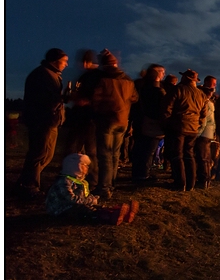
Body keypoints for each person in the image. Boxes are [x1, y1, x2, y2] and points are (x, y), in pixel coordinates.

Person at [84, 49, 138, 199]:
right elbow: (134, 98)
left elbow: (95, 99)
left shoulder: (103, 79)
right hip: (123, 120)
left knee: (105, 155)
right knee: (114, 154)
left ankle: (104, 187)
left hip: (106, 120)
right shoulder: (127, 79)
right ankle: (111, 184)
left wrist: (96, 111)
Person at [15, 48, 69, 199]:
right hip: (42, 120)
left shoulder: (51, 74)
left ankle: (24, 182)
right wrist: (62, 98)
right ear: (54, 61)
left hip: (49, 120)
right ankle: (29, 186)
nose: (66, 64)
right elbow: (44, 100)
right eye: (64, 61)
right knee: (39, 154)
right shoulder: (42, 75)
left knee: (45, 154)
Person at [46, 153, 138, 225]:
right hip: (61, 209)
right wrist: (90, 200)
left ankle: (117, 212)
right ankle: (109, 216)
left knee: (91, 207)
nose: (87, 167)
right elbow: (72, 199)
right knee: (84, 210)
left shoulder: (80, 181)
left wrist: (92, 199)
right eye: (84, 165)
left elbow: (84, 196)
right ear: (76, 167)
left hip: (74, 205)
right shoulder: (64, 182)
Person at [162, 69, 207, 192]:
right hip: (193, 129)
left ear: (185, 78)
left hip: (179, 126)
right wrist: (198, 124)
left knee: (177, 155)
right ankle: (191, 183)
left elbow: (167, 108)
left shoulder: (178, 90)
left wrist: (167, 123)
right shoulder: (201, 94)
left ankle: (180, 183)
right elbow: (204, 114)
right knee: (189, 154)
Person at [64, 49, 100, 171]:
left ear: (86, 62)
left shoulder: (94, 76)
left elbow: (96, 97)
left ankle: (89, 176)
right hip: (82, 117)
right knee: (82, 148)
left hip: (88, 118)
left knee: (88, 150)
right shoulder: (86, 76)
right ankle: (76, 171)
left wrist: (84, 100)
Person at [130, 65, 166, 185]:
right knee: (148, 150)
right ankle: (143, 175)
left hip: (139, 121)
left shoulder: (141, 87)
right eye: (162, 72)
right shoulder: (157, 91)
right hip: (151, 124)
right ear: (157, 75)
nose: (163, 75)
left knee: (140, 149)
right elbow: (159, 109)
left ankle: (137, 173)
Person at [194, 79, 217, 189]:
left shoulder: (206, 103)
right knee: (206, 158)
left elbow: (203, 121)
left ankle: (203, 181)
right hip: (209, 133)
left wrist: (197, 134)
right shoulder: (211, 104)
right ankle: (205, 180)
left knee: (202, 158)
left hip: (203, 134)